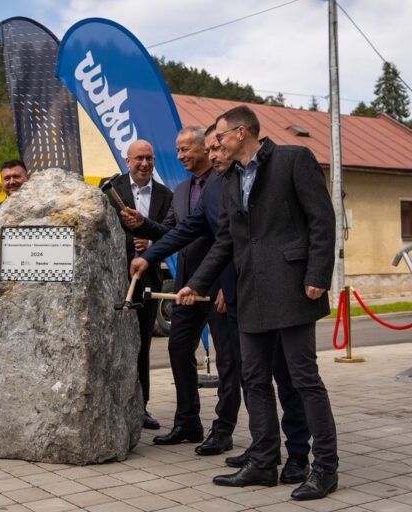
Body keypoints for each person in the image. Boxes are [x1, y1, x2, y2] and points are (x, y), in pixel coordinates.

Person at [175, 106, 337, 500]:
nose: (215, 145)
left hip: (294, 287)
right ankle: (264, 462)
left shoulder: (292, 160)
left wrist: (317, 274)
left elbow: (321, 218)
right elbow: (226, 240)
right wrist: (197, 284)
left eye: (219, 138)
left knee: (303, 379)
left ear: (241, 133)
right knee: (255, 380)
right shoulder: (229, 179)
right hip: (251, 293)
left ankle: (325, 468)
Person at [121, 127, 223, 445]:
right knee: (178, 349)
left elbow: (227, 238)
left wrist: (226, 283)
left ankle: (224, 429)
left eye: (185, 150)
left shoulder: (222, 185)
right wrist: (146, 233)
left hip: (219, 285)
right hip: (184, 288)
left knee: (232, 361)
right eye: (177, 151)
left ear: (204, 149)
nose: (178, 156)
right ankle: (188, 422)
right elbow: (174, 232)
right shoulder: (180, 191)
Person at [100, 139, 172, 431]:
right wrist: (132, 241)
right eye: (138, 158)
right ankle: (111, 406)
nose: (144, 164)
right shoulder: (110, 190)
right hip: (113, 280)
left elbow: (171, 233)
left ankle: (140, 408)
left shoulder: (166, 195)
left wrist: (151, 242)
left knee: (142, 344)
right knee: (111, 344)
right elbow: (101, 231)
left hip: (148, 281)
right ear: (127, 160)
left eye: (149, 159)